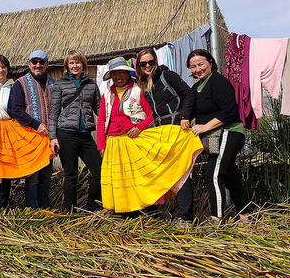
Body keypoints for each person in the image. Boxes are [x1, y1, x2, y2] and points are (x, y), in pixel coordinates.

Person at [97, 57, 202, 214]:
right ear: (111, 76)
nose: (118, 76)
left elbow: (151, 114)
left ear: (127, 74)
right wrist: (101, 145)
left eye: (122, 72)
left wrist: (139, 127)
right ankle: (123, 210)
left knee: (139, 178)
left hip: (133, 140)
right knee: (120, 179)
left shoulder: (138, 91)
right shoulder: (107, 95)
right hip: (113, 142)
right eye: (115, 73)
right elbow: (101, 121)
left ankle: (146, 211)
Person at [0, 55, 52, 209]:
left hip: (5, 130)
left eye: (3, 67)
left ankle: (1, 205)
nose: (1, 70)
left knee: (4, 168)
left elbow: (15, 109)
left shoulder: (13, 86)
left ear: (8, 69)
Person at [187, 49, 250, 225]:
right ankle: (246, 216)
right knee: (230, 176)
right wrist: (185, 119)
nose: (197, 69)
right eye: (193, 66)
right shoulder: (198, 87)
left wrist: (205, 126)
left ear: (210, 63)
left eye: (201, 64)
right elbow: (190, 108)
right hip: (218, 135)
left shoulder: (217, 82)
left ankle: (217, 219)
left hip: (229, 131)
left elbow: (229, 112)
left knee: (213, 175)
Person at [136, 48, 196, 224]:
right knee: (157, 173)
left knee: (181, 172)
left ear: (156, 61)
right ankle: (153, 214)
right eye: (143, 63)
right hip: (158, 132)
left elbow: (188, 93)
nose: (148, 66)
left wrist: (185, 116)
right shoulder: (143, 83)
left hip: (176, 128)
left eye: (151, 62)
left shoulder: (166, 75)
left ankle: (185, 217)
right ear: (139, 66)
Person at [49, 50, 102, 212]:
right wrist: (53, 137)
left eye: (77, 62)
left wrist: (111, 124)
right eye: (71, 63)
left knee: (98, 171)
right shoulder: (60, 84)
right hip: (66, 133)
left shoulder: (91, 84)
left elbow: (99, 108)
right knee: (71, 173)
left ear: (83, 64)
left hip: (85, 134)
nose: (75, 66)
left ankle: (92, 205)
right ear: (67, 66)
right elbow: (54, 112)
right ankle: (70, 209)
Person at [11, 50, 54, 209]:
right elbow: (16, 110)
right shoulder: (21, 83)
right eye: (34, 62)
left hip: (49, 136)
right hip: (31, 135)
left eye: (41, 62)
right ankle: (32, 208)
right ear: (29, 64)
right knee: (33, 175)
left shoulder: (52, 83)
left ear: (46, 64)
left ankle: (45, 206)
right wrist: (36, 124)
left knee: (46, 174)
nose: (38, 65)